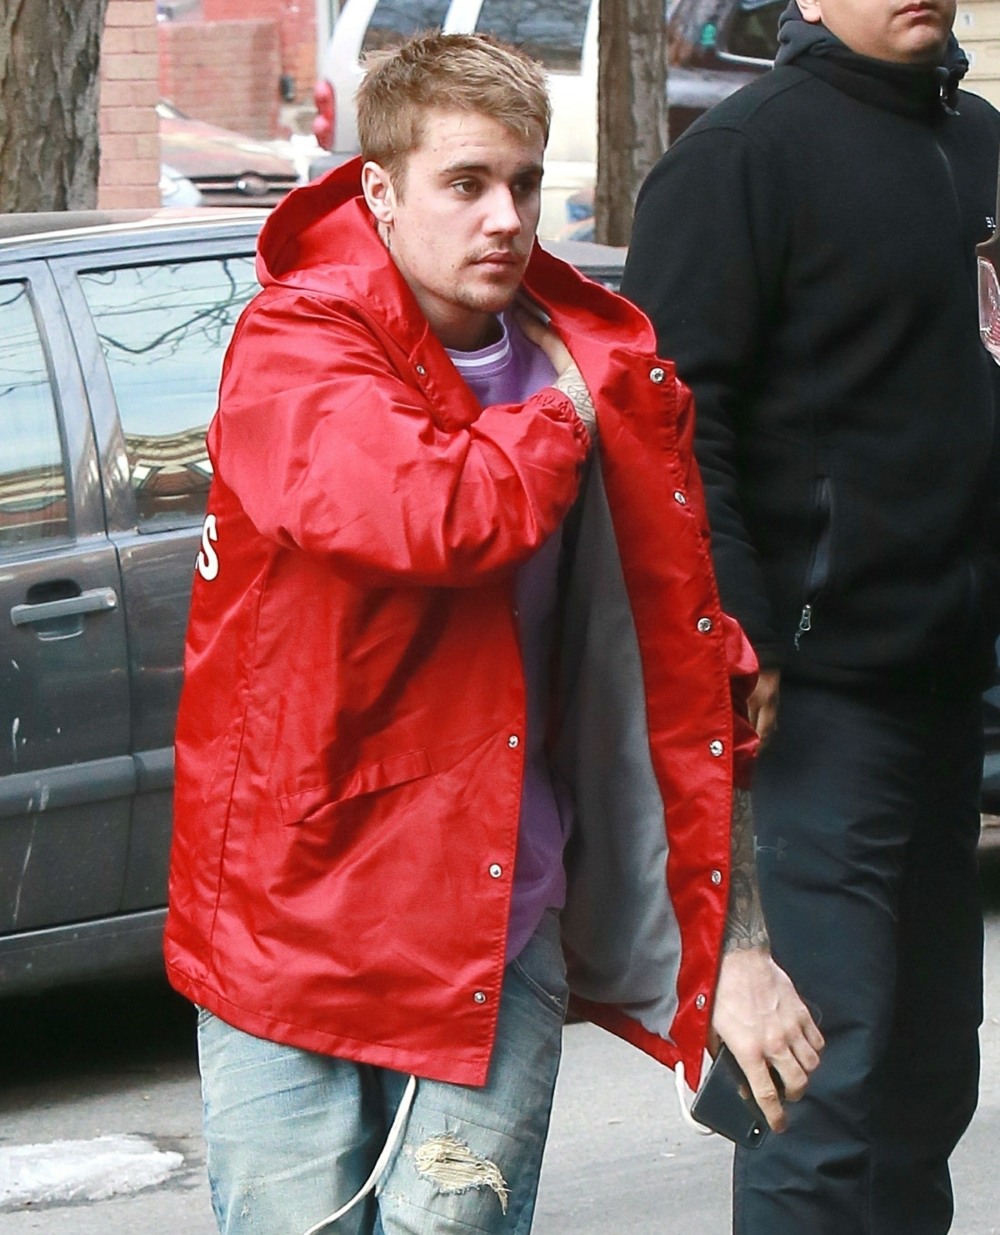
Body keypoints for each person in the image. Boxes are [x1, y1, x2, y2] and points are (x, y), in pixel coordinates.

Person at [164, 32, 822, 1235]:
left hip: (494, 914)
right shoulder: (297, 342)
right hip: (292, 916)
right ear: (379, 190)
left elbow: (688, 675)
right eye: (465, 183)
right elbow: (432, 513)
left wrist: (734, 943)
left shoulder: (594, 367)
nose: (506, 217)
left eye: (522, 182)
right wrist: (567, 415)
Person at [622, 2, 1000, 1233]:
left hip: (949, 683)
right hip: (812, 701)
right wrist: (737, 633)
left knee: (927, 1079)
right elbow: (673, 428)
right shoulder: (740, 159)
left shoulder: (976, 141)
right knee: (814, 1088)